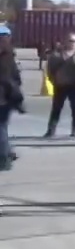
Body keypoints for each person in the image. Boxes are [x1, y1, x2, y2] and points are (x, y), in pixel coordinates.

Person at [43, 33, 75, 139]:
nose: (73, 43)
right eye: (71, 41)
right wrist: (54, 80)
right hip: (60, 85)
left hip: (74, 85)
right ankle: (51, 130)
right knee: (56, 108)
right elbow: (50, 70)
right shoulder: (57, 54)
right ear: (65, 41)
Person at [0, 25, 23, 175]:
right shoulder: (9, 54)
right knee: (3, 128)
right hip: (8, 97)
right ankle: (8, 152)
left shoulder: (5, 56)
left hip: (3, 97)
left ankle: (4, 160)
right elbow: (16, 77)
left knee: (1, 128)